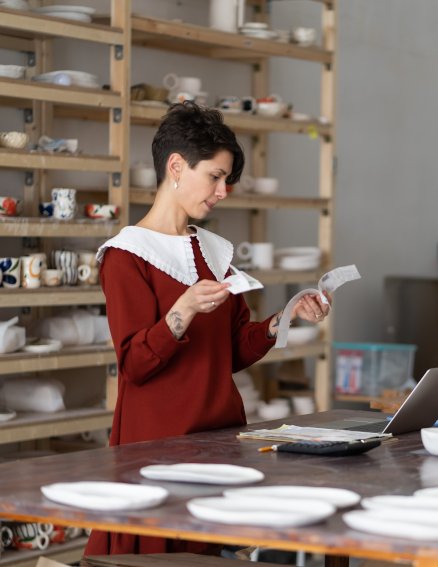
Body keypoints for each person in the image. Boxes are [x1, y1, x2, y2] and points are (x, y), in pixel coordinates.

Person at [85, 102, 330, 556]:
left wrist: (286, 316)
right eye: (215, 176)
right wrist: (182, 311)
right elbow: (135, 365)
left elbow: (233, 349)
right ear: (176, 166)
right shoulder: (126, 255)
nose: (222, 191)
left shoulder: (212, 251)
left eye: (227, 179)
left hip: (219, 441)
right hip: (158, 449)